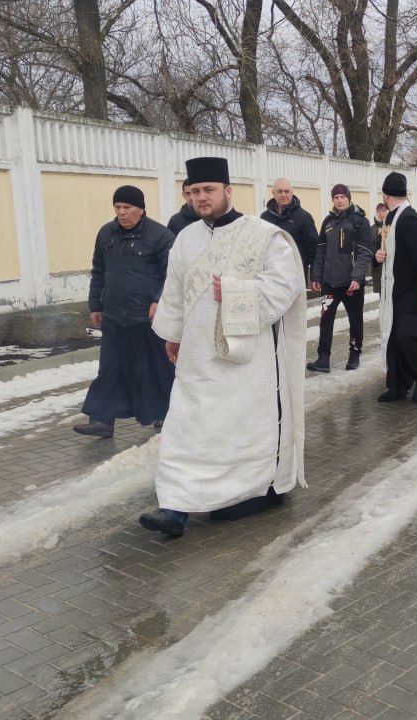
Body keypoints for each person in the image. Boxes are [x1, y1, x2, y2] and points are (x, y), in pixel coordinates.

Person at [140, 157, 307, 538]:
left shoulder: (263, 236)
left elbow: (286, 287)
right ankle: (174, 508)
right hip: (197, 358)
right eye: (194, 191)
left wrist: (236, 293)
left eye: (208, 190)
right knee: (185, 429)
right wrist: (174, 334)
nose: (201, 197)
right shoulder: (186, 238)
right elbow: (176, 292)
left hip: (244, 361)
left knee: (235, 432)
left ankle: (249, 491)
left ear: (228, 191)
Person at [75, 186, 176, 439]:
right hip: (114, 316)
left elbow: (171, 275)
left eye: (127, 208)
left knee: (156, 368)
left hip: (148, 318)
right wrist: (95, 305)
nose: (122, 213)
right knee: (109, 368)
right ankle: (102, 421)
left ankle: (167, 414)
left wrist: (157, 301)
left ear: (141, 208)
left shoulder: (160, 236)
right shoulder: (106, 234)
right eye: (118, 208)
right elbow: (98, 271)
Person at [376, 172, 417, 402]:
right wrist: (380, 255)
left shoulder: (408, 219)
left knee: (406, 337)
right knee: (394, 340)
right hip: (397, 289)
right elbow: (391, 249)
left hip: (413, 291)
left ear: (385, 195)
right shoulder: (391, 218)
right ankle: (397, 387)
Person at [307, 184, 375, 372]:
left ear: (348, 198)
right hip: (330, 283)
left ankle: (354, 353)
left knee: (355, 319)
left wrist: (357, 277)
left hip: (351, 284)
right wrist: (316, 275)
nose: (339, 200)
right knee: (326, 319)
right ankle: (323, 358)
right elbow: (320, 250)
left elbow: (365, 252)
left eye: (342, 197)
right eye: (336, 197)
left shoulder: (359, 221)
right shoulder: (328, 222)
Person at [260, 177, 320, 281]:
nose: (283, 195)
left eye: (286, 191)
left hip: (296, 276)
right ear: (273, 193)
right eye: (279, 191)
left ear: (292, 193)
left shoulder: (304, 217)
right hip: (270, 276)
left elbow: (313, 249)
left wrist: (315, 277)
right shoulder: (264, 218)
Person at [370, 202, 389, 295]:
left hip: (391, 266)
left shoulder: (392, 226)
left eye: (383, 211)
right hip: (378, 267)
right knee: (382, 297)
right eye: (379, 211)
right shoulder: (372, 229)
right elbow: (369, 248)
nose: (381, 213)